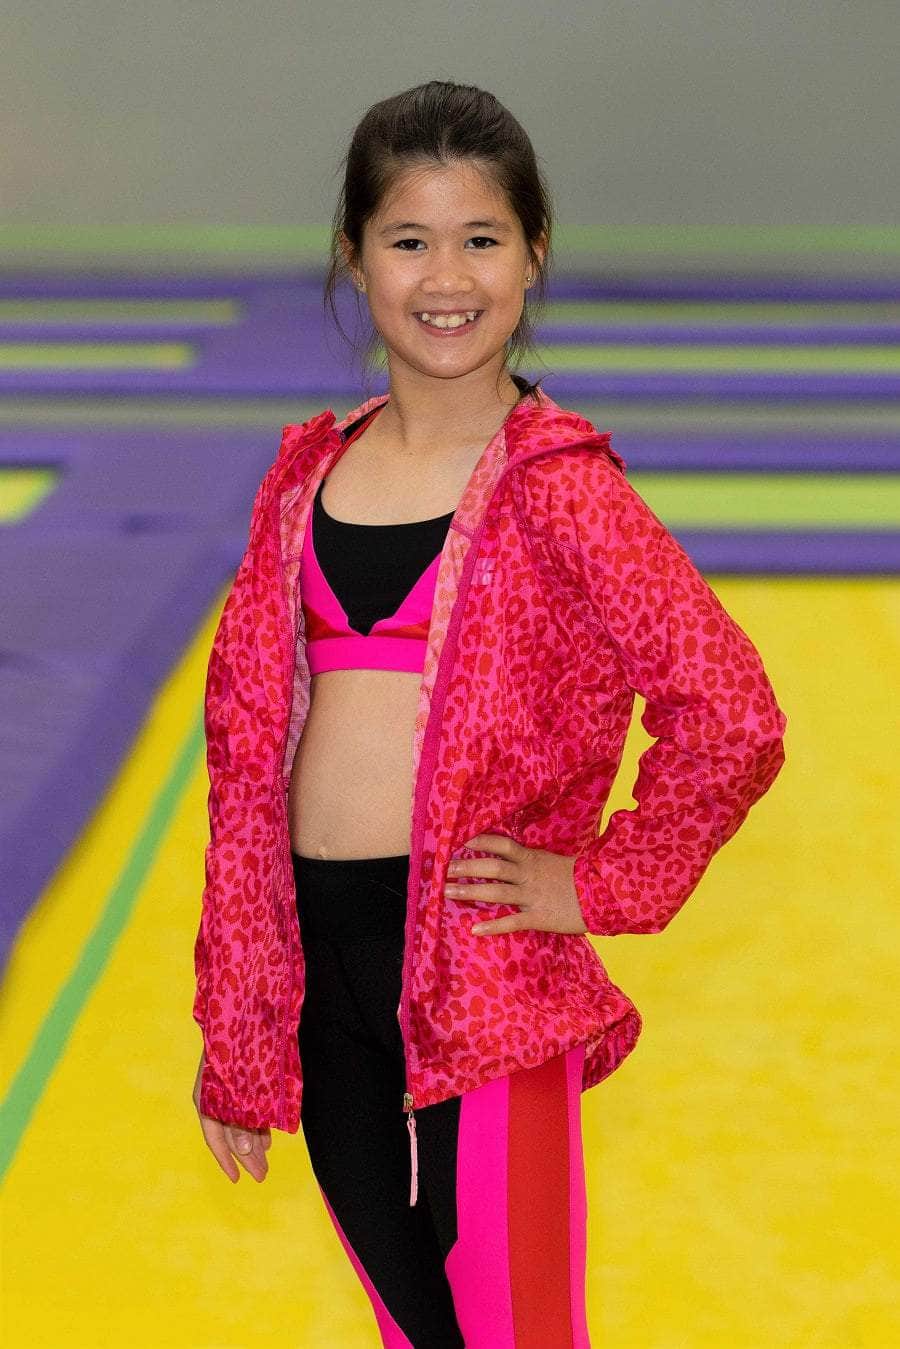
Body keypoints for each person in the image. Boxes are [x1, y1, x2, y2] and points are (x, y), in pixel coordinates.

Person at [192, 79, 788, 1348]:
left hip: (483, 970)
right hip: (326, 981)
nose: (446, 276)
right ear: (354, 257)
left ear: (534, 256)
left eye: (482, 239)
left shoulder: (561, 487)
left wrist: (600, 880)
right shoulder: (304, 478)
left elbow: (730, 708)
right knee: (412, 1325)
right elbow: (243, 767)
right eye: (409, 240)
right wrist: (243, 1023)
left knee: (517, 1329)